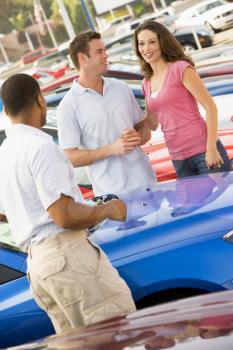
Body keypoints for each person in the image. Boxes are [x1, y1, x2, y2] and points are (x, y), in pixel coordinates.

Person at [0, 73, 136, 334]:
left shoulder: (6, 151)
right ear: (40, 100)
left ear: (6, 110)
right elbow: (64, 215)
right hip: (66, 257)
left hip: (39, 268)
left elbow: (4, 212)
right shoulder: (40, 147)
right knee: (120, 335)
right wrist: (107, 209)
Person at [56, 31, 156, 197]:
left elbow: (143, 131)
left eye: (104, 50)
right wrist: (111, 149)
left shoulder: (121, 87)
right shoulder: (68, 106)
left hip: (146, 182)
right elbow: (71, 157)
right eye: (99, 52)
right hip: (113, 196)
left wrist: (136, 136)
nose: (106, 55)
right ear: (82, 58)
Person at [134, 20, 232, 178]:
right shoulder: (146, 83)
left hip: (203, 151)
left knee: (222, 202)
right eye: (141, 43)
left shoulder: (180, 68)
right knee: (194, 204)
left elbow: (210, 107)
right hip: (178, 159)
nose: (146, 48)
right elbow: (153, 124)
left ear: (162, 42)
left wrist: (212, 148)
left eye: (152, 42)